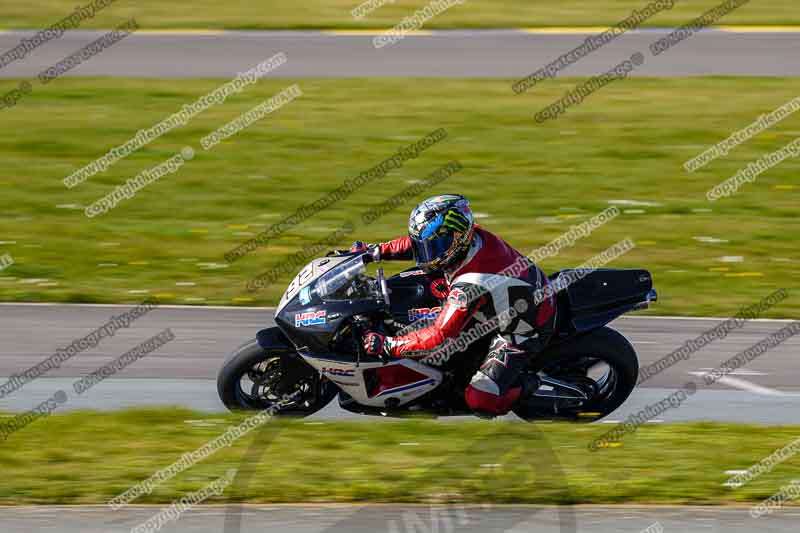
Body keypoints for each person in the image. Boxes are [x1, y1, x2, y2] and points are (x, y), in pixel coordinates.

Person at [352, 194, 556, 416]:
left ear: (458, 239)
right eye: (429, 245)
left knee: (480, 397)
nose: (428, 253)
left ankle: (532, 385)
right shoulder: (467, 237)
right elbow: (418, 243)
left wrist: (388, 345)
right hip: (507, 300)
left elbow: (440, 336)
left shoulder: (472, 281)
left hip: (524, 328)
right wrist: (374, 251)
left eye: (437, 245)